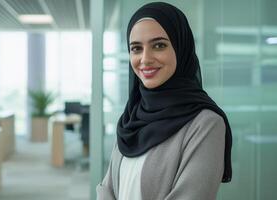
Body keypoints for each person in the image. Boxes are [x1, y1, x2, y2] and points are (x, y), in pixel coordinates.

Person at [96, 2, 232, 200]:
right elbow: (106, 189)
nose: (145, 58)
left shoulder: (206, 124)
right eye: (136, 48)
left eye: (159, 45)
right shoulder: (132, 116)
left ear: (180, 47)